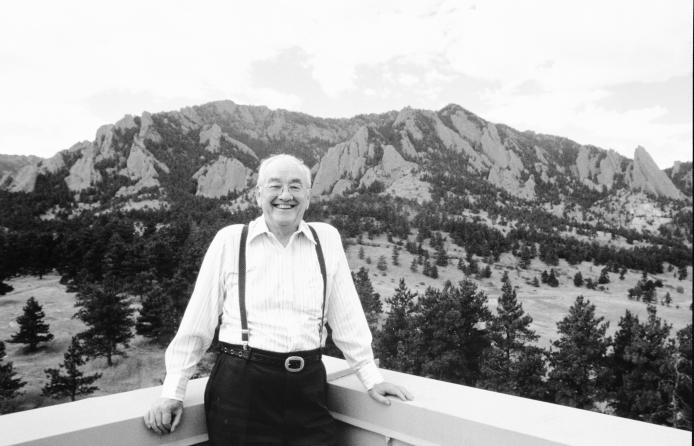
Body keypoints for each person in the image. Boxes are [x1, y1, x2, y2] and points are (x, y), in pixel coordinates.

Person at [144, 154, 413, 445]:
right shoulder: (231, 240)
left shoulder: (327, 240)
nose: (285, 195)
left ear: (308, 197)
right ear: (258, 194)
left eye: (296, 187)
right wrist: (173, 392)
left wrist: (372, 378)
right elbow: (197, 325)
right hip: (240, 389)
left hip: (308, 385)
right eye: (275, 186)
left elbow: (347, 318)